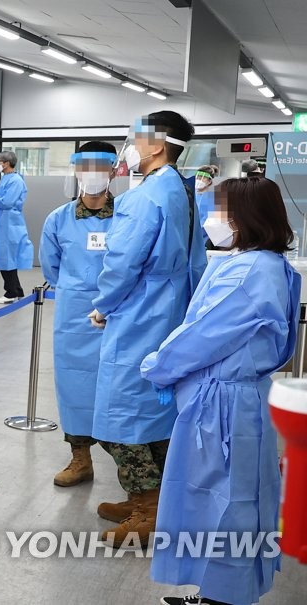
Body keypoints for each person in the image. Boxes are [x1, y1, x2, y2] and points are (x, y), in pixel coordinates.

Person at [143, 177, 298, 605]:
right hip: (230, 398)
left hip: (226, 405)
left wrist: (158, 367)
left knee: (228, 503)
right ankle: (218, 593)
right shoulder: (260, 262)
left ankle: (226, 598)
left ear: (242, 217)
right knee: (222, 499)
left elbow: (204, 336)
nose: (211, 220)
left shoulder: (249, 272)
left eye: (218, 211)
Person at [89, 111, 207, 548]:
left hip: (139, 315)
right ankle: (146, 496)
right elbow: (196, 260)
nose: (133, 147)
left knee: (120, 417)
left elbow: (122, 263)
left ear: (157, 145)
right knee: (155, 413)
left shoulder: (144, 197)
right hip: (170, 312)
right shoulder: (182, 190)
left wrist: (103, 306)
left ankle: (147, 509)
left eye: (137, 140)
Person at [38, 142, 118, 488]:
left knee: (119, 385)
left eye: (101, 168)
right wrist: (77, 291)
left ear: (115, 170)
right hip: (73, 316)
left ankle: (132, 470)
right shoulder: (58, 219)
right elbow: (51, 267)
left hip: (119, 312)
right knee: (73, 385)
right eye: (86, 167)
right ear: (75, 170)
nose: (93, 175)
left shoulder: (128, 215)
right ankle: (80, 459)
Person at [0, 151, 34, 304]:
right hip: (3, 223)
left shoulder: (15, 180)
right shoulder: (6, 178)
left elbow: (7, 202)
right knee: (5, 258)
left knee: (7, 258)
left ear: (6, 163)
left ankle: (10, 292)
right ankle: (17, 290)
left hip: (9, 224)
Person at [194, 165, 219, 242]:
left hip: (203, 239)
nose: (199, 180)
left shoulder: (211, 198)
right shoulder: (192, 195)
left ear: (209, 181)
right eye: (198, 177)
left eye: (202, 177)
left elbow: (207, 223)